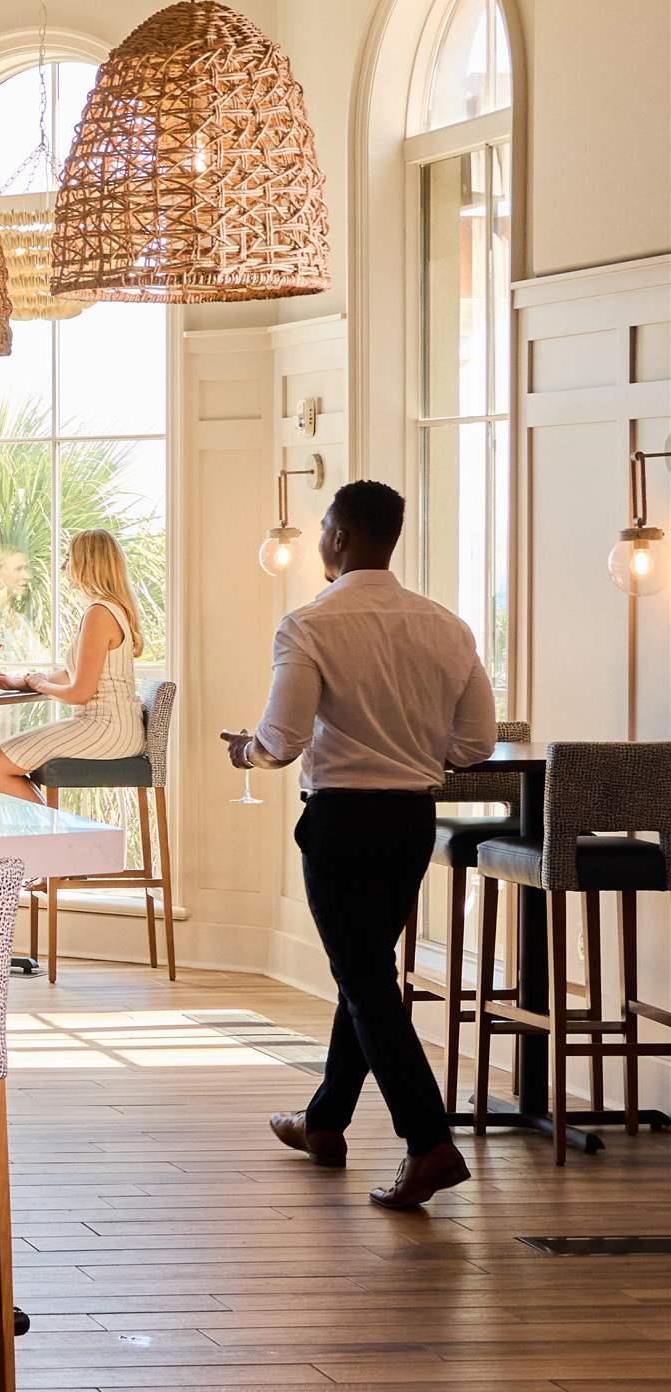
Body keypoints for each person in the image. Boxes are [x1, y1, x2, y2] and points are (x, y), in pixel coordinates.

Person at [225, 480, 494, 1213]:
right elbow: (475, 746)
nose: (318, 544)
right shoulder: (448, 627)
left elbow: (279, 742)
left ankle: (429, 1142)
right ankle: (324, 1122)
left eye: (321, 532)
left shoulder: (309, 625)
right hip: (411, 825)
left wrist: (242, 754)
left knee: (367, 982)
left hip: (341, 823)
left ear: (339, 537)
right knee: (366, 972)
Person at [0, 530, 147, 802]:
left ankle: (54, 843)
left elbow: (80, 693)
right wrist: (20, 681)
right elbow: (72, 674)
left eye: (69, 557)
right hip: (113, 726)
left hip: (106, 728)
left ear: (87, 563)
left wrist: (40, 684)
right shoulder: (107, 609)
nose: (64, 565)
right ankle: (53, 840)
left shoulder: (99, 614)